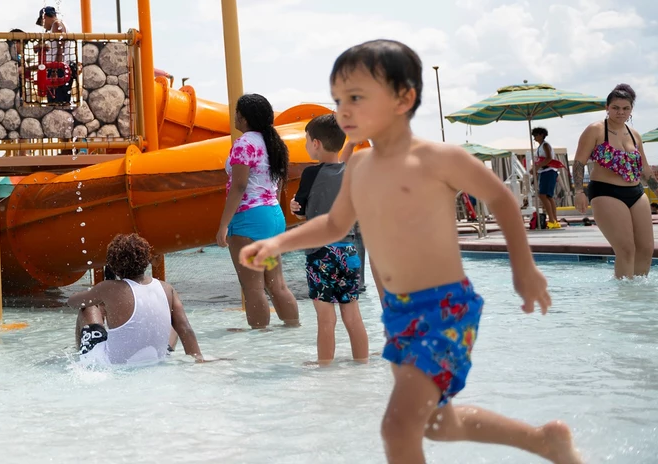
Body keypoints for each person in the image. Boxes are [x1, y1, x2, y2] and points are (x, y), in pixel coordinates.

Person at [240, 40, 579, 464]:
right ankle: (543, 441)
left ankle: (544, 441)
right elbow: (334, 225)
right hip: (400, 313)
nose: (344, 110)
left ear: (404, 98)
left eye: (357, 98)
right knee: (437, 424)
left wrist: (523, 269)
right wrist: (278, 242)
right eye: (340, 99)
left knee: (397, 428)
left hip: (444, 307)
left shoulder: (438, 159)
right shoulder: (359, 167)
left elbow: (503, 200)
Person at [216, 93, 299, 329]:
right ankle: (293, 331)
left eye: (237, 113)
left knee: (252, 288)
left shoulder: (244, 144)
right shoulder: (274, 143)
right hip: (272, 215)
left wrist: (223, 225)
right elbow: (279, 182)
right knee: (277, 285)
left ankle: (259, 343)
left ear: (244, 118)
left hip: (249, 219)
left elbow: (240, 186)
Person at [291, 113, 368, 366]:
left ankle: (324, 368)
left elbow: (301, 211)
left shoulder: (311, 175)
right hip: (348, 251)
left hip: (320, 253)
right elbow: (340, 165)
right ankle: (362, 364)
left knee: (326, 318)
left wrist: (295, 206)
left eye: (306, 140)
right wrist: (351, 144)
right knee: (352, 314)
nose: (305, 145)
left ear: (316, 144)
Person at [67, 233, 203, 366]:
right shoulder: (167, 288)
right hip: (155, 357)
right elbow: (186, 329)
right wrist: (198, 360)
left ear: (113, 263)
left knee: (88, 307)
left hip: (116, 363)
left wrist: (93, 298)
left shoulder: (108, 288)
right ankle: (165, 354)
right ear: (146, 259)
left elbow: (73, 302)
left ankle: (84, 361)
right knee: (174, 322)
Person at [571, 84, 657, 279]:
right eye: (616, 108)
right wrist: (578, 191)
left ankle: (638, 295)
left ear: (631, 110)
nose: (621, 112)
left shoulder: (634, 135)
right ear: (607, 108)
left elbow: (644, 168)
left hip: (636, 192)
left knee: (646, 249)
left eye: (625, 108)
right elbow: (578, 163)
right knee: (626, 249)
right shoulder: (596, 130)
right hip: (606, 192)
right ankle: (623, 299)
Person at [35, 6, 75, 105]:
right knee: (59, 100)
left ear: (44, 17)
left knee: (57, 101)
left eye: (42, 23)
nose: (43, 26)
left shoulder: (57, 25)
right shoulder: (57, 25)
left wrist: (55, 70)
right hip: (60, 66)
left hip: (59, 68)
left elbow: (60, 48)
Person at [532, 127, 564, 230]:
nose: (534, 137)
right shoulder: (540, 147)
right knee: (548, 197)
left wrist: (537, 167)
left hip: (548, 171)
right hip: (545, 172)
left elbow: (549, 158)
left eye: (536, 135)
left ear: (541, 135)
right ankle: (554, 220)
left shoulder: (545, 145)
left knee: (543, 195)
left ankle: (552, 219)